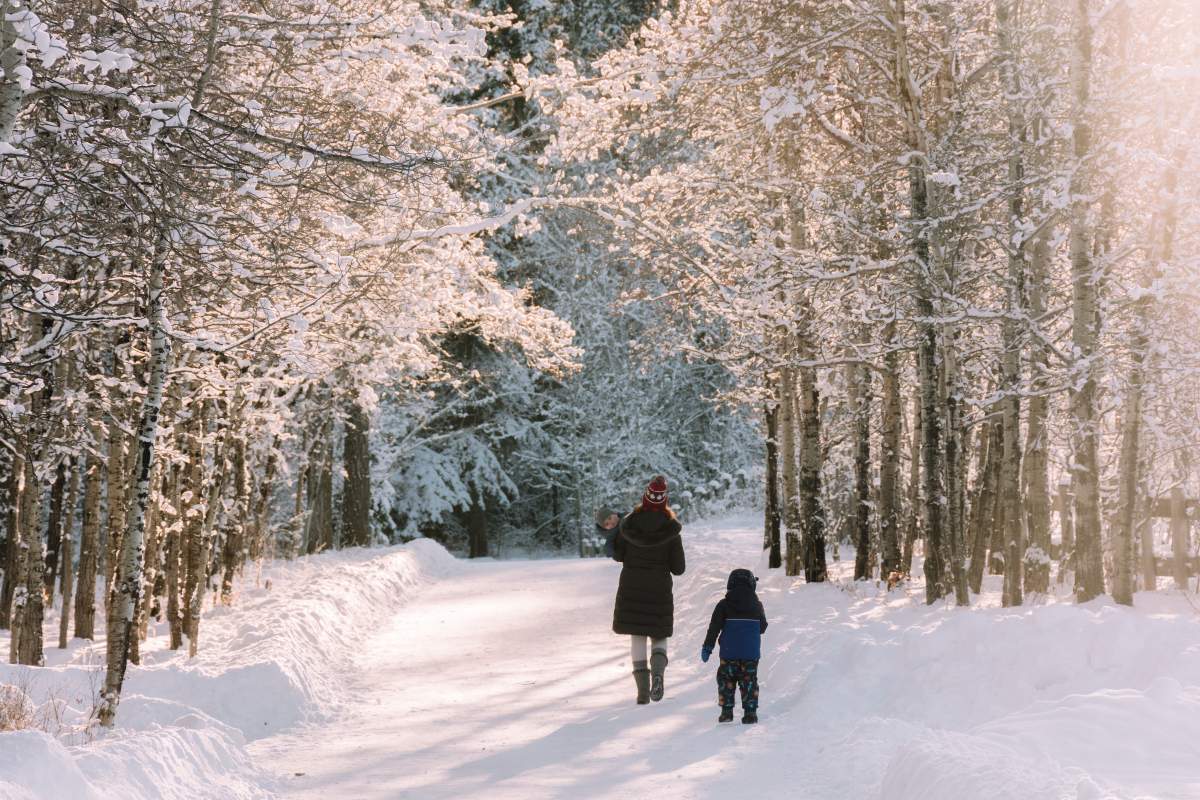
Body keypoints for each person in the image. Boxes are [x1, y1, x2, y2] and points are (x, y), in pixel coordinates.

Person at [611, 475, 685, 704]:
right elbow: (679, 568)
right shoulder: (671, 531)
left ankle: (642, 691)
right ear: (664, 502)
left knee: (638, 636)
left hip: (632, 587)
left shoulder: (629, 525)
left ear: (645, 498)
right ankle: (659, 674)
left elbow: (617, 555)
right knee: (659, 634)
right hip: (659, 589)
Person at [700, 568, 768, 724]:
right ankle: (750, 713)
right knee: (749, 680)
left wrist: (707, 647)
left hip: (729, 653)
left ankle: (727, 712)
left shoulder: (723, 605)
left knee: (726, 680)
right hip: (750, 654)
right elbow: (763, 627)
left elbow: (714, 628)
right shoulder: (757, 605)